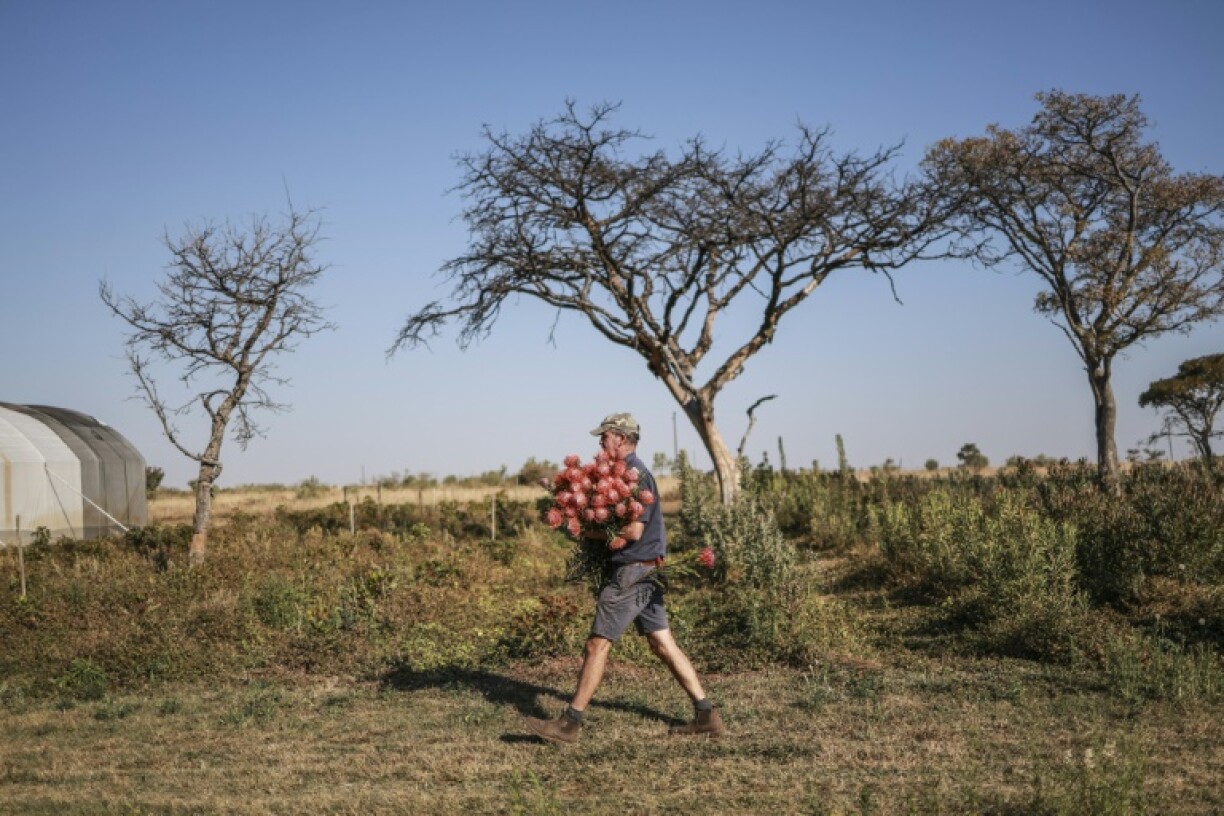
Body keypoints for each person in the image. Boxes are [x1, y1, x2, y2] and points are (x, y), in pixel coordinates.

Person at [523, 412, 726, 744]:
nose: (600, 443)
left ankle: (570, 723)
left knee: (596, 643)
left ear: (621, 437)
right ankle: (706, 714)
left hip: (633, 570)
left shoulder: (636, 476)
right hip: (648, 568)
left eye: (604, 436)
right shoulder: (631, 474)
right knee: (662, 643)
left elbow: (632, 530)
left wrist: (589, 530)